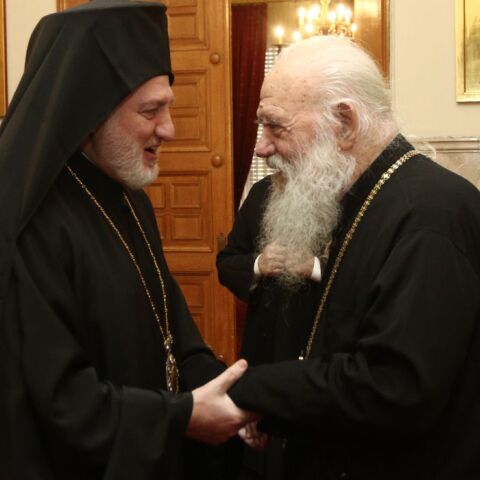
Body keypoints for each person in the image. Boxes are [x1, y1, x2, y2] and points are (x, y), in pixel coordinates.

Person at [0, 2, 256, 479]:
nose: (170, 129)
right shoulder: (27, 222)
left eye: (168, 106)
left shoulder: (129, 196)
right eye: (150, 110)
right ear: (89, 112)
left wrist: (228, 390)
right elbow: (57, 401)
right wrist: (181, 416)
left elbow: (171, 326)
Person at [227, 35, 480, 480]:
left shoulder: (430, 216)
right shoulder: (355, 199)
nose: (262, 147)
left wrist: (253, 392)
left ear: (345, 123)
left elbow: (394, 388)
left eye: (276, 127)